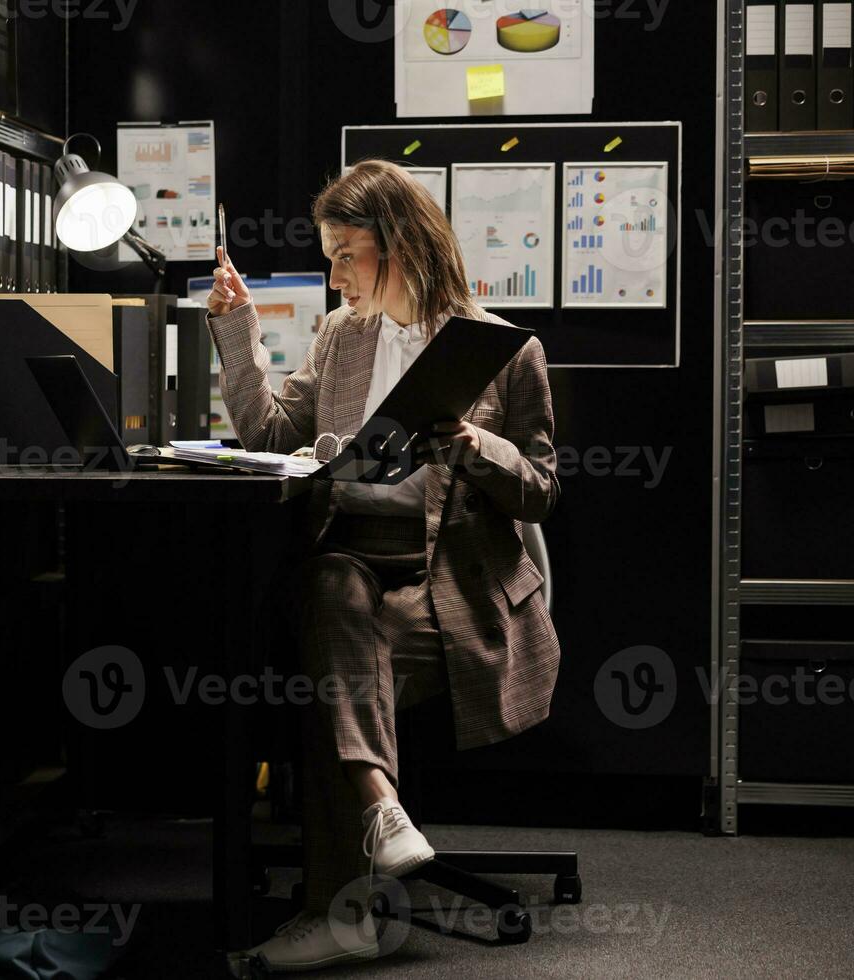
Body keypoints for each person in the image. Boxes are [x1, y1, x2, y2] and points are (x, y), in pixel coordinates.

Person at [204, 159, 562, 973]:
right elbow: (267, 437)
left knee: (332, 675)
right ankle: (382, 812)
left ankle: (342, 906)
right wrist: (239, 329)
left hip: (451, 594)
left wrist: (478, 447)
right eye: (329, 256)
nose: (334, 276)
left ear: (399, 244)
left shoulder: (503, 350)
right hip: (354, 574)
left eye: (346, 254)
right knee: (331, 588)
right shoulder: (340, 337)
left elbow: (541, 490)